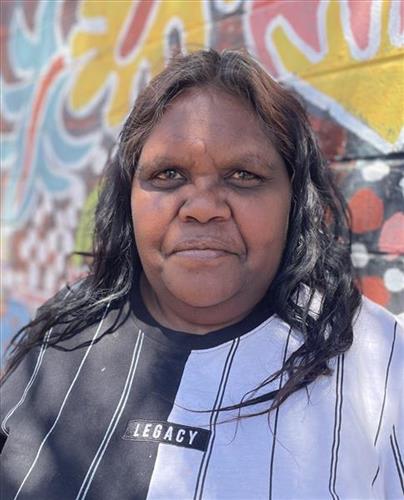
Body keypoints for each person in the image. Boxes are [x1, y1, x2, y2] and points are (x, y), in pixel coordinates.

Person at [0, 49, 402, 500]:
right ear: (129, 195)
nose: (204, 208)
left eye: (243, 175)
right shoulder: (60, 335)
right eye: (168, 174)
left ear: (294, 201)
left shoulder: (381, 363)